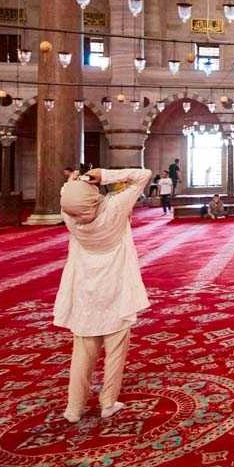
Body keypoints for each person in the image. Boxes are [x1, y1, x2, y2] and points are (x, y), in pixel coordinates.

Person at [53, 165, 152, 424]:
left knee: (83, 354)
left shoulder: (70, 217)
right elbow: (143, 175)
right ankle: (108, 402)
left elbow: (68, 196)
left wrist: (75, 182)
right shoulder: (114, 210)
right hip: (116, 291)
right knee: (116, 351)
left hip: (86, 293)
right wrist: (104, 175)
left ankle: (74, 408)